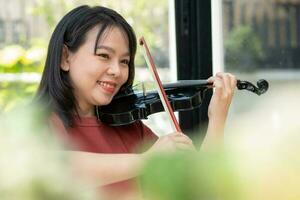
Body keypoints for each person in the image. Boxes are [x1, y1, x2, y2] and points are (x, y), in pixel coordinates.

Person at [34, 5, 237, 200]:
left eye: (124, 61)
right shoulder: (35, 125)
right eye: (104, 56)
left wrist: (217, 118)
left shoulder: (132, 129)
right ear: (64, 57)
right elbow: (53, 166)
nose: (117, 71)